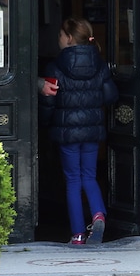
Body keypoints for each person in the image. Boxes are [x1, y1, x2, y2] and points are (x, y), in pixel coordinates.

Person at [39, 17, 118, 245]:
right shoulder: (100, 64)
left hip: (67, 133)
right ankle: (98, 213)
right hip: (92, 131)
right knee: (89, 176)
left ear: (70, 38)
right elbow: (110, 95)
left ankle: (78, 234)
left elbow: (49, 103)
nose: (59, 39)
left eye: (60, 35)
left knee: (73, 179)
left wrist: (44, 124)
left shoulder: (55, 67)